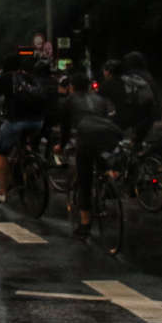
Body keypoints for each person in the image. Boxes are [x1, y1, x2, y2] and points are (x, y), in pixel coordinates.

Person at [0, 54, 52, 206]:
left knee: (2, 153)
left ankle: (2, 192)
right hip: (38, 122)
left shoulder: (5, 78)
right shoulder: (29, 77)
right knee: (24, 145)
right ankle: (29, 163)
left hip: (16, 121)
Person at [55, 70, 124, 239]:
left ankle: (85, 224)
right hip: (107, 135)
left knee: (84, 180)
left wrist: (60, 146)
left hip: (86, 137)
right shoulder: (100, 99)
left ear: (72, 86)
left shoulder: (69, 100)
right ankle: (108, 181)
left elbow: (65, 129)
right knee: (102, 162)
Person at [118, 51, 162, 143]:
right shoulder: (147, 74)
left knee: (136, 138)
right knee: (142, 138)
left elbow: (130, 95)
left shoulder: (133, 75)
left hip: (142, 111)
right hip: (152, 110)